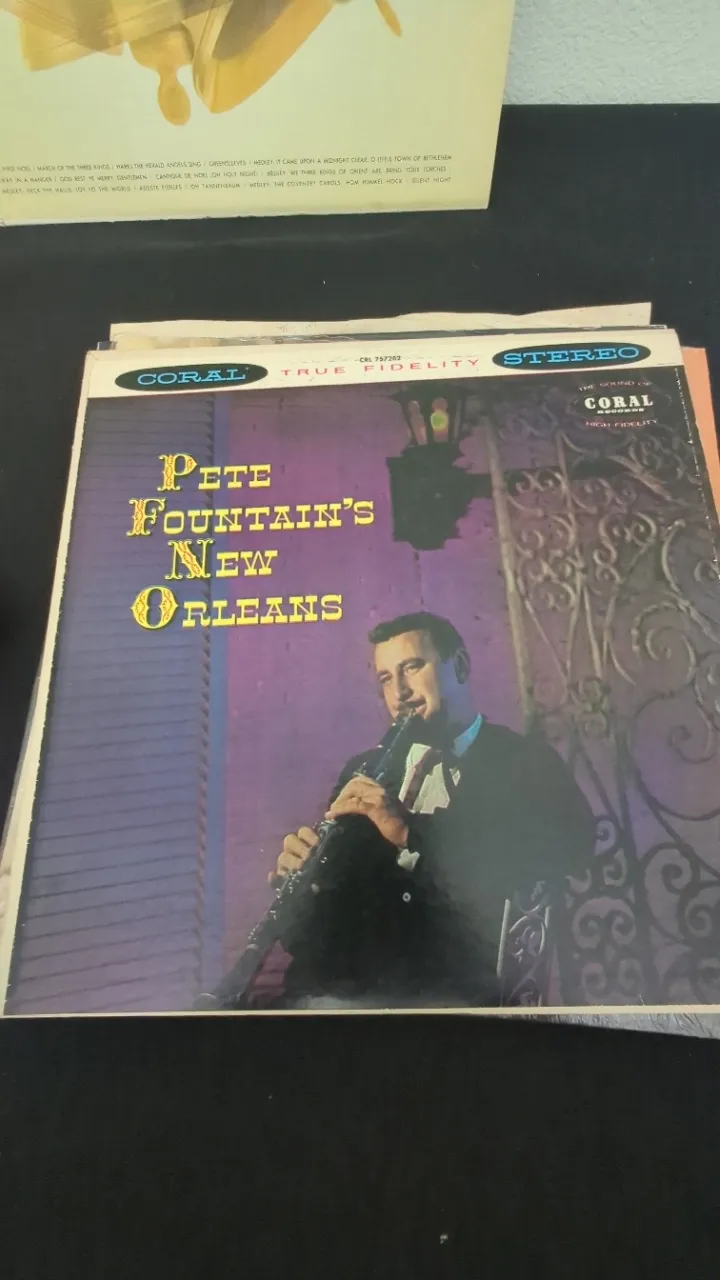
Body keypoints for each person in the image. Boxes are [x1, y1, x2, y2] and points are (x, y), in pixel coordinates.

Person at [273, 611, 595, 1008]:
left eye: (412, 667)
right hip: (340, 998)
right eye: (386, 678)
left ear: (458, 666)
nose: (399, 692)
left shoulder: (525, 763)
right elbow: (312, 938)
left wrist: (408, 832)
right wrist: (302, 890)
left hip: (447, 1003)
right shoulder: (365, 769)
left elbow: (571, 848)